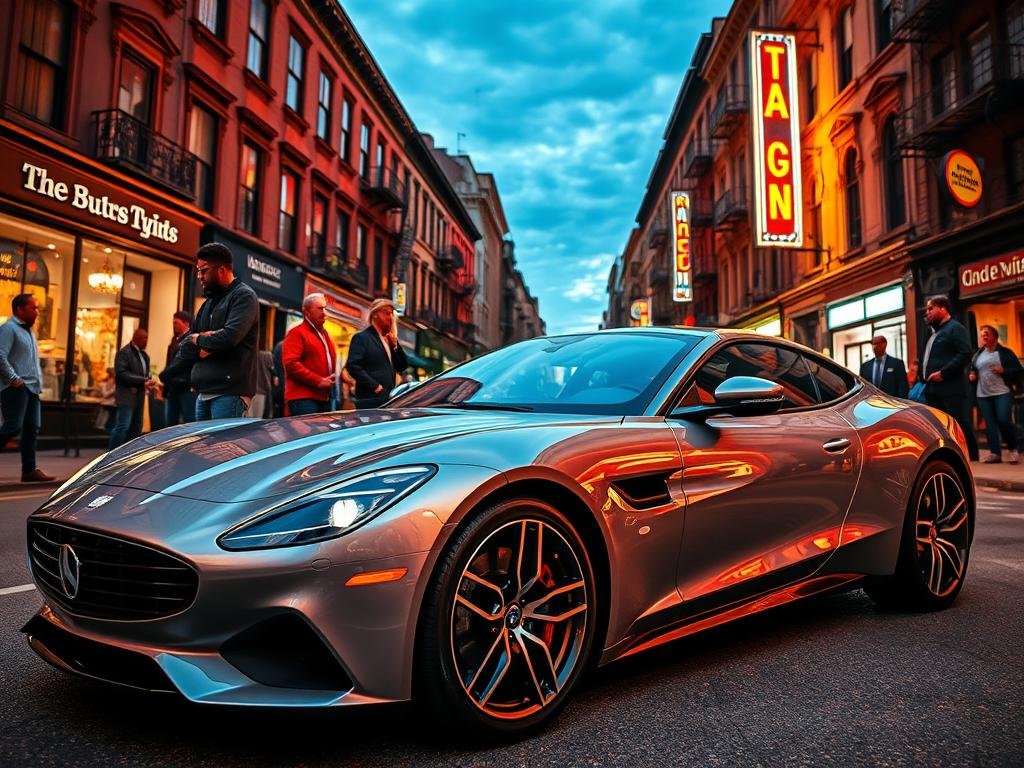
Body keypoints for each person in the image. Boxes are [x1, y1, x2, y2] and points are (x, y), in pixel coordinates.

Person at [162, 242, 259, 420]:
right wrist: (203, 341)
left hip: (230, 392)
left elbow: (230, 337)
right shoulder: (207, 304)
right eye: (198, 271)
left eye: (204, 270)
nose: (199, 276)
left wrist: (198, 339)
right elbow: (184, 346)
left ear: (221, 270)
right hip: (203, 392)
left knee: (224, 447)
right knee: (203, 448)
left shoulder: (244, 296)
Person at [0, 293, 54, 482]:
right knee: (13, 427)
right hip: (16, 387)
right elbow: (0, 355)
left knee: (32, 428)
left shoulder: (30, 331)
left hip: (32, 388)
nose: (37, 312)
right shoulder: (8, 329)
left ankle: (29, 471)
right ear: (19, 309)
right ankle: (29, 470)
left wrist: (38, 383)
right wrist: (14, 379)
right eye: (33, 308)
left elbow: (32, 361)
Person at [921, 294, 979, 460]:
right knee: (939, 426)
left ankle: (972, 457)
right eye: (927, 310)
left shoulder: (955, 328)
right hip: (933, 388)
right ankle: (949, 455)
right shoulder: (934, 332)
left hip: (951, 387)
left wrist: (943, 373)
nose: (928, 313)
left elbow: (966, 353)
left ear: (943, 308)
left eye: (931, 308)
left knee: (959, 423)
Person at [969, 325, 1023, 464]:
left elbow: (1019, 370)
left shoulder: (1005, 353)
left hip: (1002, 392)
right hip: (983, 394)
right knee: (990, 425)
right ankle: (995, 453)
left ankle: (1013, 449)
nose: (984, 337)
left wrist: (1003, 371)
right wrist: (972, 374)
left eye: (987, 334)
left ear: (995, 336)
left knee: (1003, 420)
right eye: (982, 335)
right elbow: (973, 368)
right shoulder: (978, 354)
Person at [346, 298, 408, 409]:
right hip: (370, 399)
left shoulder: (389, 339)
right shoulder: (362, 337)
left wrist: (396, 347)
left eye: (391, 314)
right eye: (387, 313)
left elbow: (402, 366)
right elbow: (352, 365)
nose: (390, 318)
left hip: (387, 399)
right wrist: (375, 386)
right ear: (375, 314)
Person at [282, 293, 338, 415]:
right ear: (307, 312)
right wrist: (318, 381)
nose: (324, 313)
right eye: (319, 308)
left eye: (325, 308)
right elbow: (290, 364)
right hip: (304, 398)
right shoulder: (297, 333)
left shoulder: (324, 334)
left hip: (323, 398)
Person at [109, 328, 155, 449]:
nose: (147, 341)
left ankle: (129, 455)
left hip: (139, 395)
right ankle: (111, 455)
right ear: (136, 338)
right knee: (123, 426)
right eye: (144, 338)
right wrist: (143, 380)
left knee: (136, 427)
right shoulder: (124, 353)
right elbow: (121, 373)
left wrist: (148, 380)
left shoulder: (144, 355)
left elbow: (144, 374)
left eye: (148, 338)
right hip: (126, 395)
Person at [161, 310, 195, 425]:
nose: (173, 325)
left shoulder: (191, 339)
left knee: (189, 422)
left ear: (186, 323)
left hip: (185, 387)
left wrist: (165, 375)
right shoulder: (174, 341)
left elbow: (182, 363)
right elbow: (170, 363)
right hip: (172, 387)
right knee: (170, 423)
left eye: (176, 322)